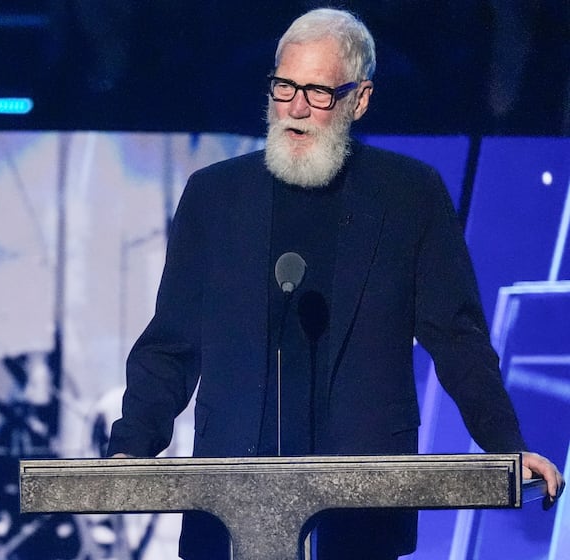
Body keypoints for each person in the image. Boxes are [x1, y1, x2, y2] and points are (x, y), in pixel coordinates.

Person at [106, 8, 565, 560]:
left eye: (318, 93)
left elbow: (458, 338)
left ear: (359, 99)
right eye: (284, 87)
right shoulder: (215, 196)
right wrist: (131, 447)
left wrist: (505, 447)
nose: (296, 108)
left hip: (361, 513)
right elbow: (172, 343)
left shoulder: (410, 195)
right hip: (230, 507)